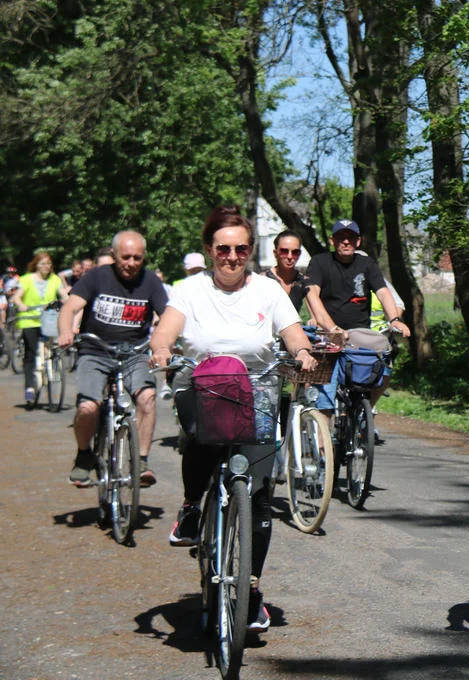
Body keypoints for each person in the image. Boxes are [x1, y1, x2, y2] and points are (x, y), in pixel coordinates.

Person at [148, 205, 316, 634]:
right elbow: (167, 328)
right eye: (223, 248)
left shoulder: (267, 290)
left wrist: (301, 352)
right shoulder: (189, 289)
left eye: (241, 248)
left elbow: (292, 330)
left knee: (259, 496)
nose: (232, 256)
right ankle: (191, 506)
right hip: (200, 384)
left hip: (256, 389)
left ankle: (252, 587)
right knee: (202, 437)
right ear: (210, 249)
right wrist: (163, 348)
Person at [57, 232, 169, 487]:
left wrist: (165, 342)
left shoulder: (151, 281)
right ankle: (84, 455)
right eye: (125, 257)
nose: (131, 263)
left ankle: (141, 462)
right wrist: (65, 331)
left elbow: (167, 315)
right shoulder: (96, 276)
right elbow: (70, 308)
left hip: (135, 353)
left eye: (137, 258)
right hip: (96, 351)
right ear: (115, 255)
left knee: (147, 398)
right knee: (88, 407)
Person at [305, 219, 410, 420]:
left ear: (358, 241)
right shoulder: (320, 262)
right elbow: (312, 294)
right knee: (326, 392)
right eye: (341, 238)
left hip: (358, 335)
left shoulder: (366, 264)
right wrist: (331, 327)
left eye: (351, 238)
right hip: (328, 335)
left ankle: (364, 413)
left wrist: (395, 319)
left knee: (384, 364)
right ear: (332, 240)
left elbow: (383, 292)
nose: (346, 242)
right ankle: (323, 444)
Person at [11, 252, 70, 404]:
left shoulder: (55, 279)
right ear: (36, 265)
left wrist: (67, 301)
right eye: (43, 264)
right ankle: (30, 388)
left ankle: (50, 368)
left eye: (49, 264)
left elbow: (64, 295)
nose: (46, 267)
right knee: (31, 353)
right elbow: (16, 297)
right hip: (30, 320)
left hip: (48, 320)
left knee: (51, 349)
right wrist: (21, 304)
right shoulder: (26, 280)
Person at [263, 230, 310, 313]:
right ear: (275, 253)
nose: (289, 256)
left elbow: (316, 309)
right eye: (284, 251)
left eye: (295, 252)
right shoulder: (262, 280)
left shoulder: (304, 282)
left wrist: (313, 318)